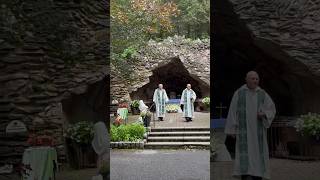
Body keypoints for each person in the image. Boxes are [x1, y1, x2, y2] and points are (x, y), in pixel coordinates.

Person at [224, 71, 276, 180]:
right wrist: (232, 129)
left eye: (257, 79)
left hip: (258, 133)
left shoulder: (262, 94)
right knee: (244, 156)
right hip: (244, 131)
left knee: (258, 154)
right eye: (252, 78)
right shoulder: (239, 93)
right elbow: (233, 111)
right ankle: (245, 174)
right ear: (246, 79)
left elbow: (271, 108)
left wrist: (264, 114)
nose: (255, 81)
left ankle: (258, 176)